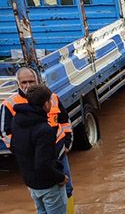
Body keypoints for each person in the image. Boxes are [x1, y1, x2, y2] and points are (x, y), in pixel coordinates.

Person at [1, 68, 74, 201]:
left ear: (38, 81)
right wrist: (22, 151)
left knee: (67, 189)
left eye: (31, 81)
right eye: (24, 82)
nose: (28, 86)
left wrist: (67, 143)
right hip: (35, 158)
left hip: (59, 152)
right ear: (18, 84)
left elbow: (65, 121)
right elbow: (5, 133)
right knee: (44, 193)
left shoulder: (52, 98)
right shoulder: (10, 104)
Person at [11, 84, 68, 214]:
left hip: (31, 183)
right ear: (45, 104)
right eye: (50, 100)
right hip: (49, 185)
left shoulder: (17, 121)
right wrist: (60, 177)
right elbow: (43, 164)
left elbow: (16, 148)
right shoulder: (44, 130)